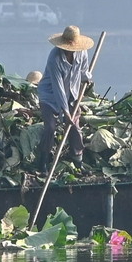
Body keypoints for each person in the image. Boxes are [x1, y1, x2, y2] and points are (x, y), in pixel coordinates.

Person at [37, 25, 92, 165]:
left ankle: (77, 159)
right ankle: (43, 159)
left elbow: (83, 71)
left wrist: (87, 78)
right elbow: (58, 87)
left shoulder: (82, 52)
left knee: (75, 127)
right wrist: (65, 113)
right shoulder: (54, 58)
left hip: (71, 94)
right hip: (49, 95)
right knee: (50, 127)